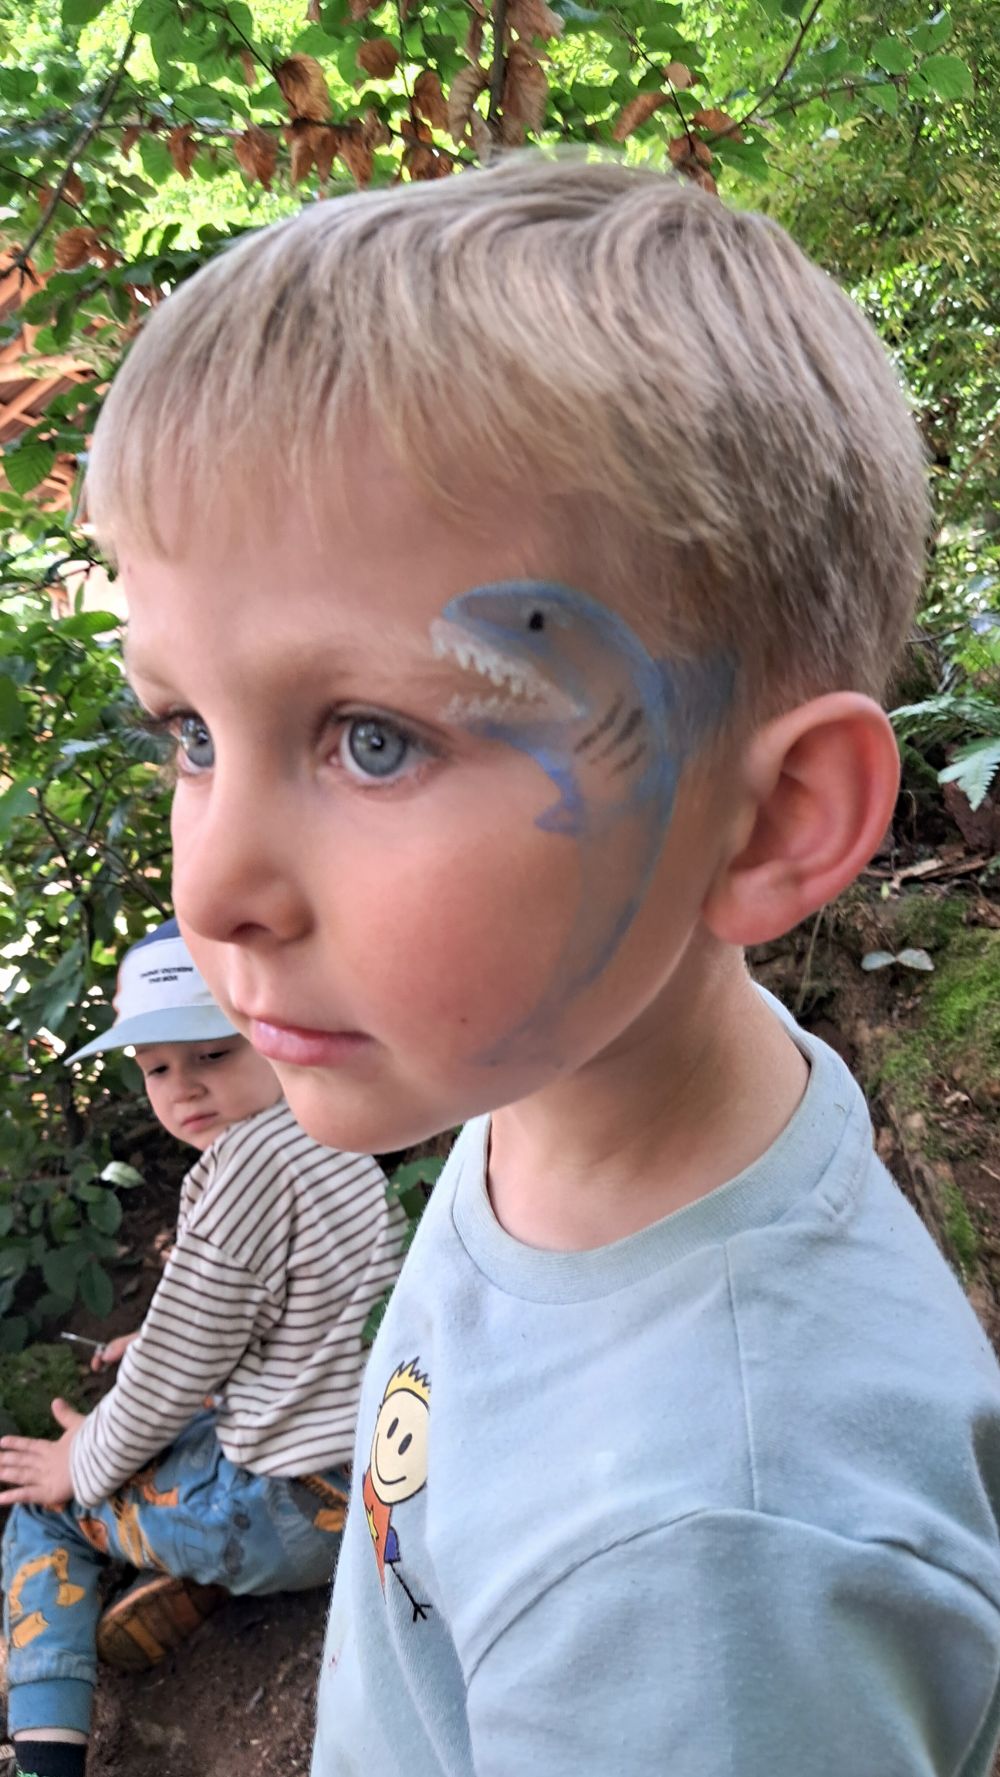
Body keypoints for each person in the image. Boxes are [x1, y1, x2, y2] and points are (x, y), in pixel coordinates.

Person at [74, 154, 1000, 1776]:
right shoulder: (579, 1085)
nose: (210, 884)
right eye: (189, 732)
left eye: (373, 738)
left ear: (771, 823)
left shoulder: (707, 1570)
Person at [0, 921, 405, 1777]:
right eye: (155, 1067)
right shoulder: (331, 1134)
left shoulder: (243, 1168)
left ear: (275, 1032)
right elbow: (294, 1311)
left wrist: (80, 1457)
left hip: (287, 1508)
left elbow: (169, 1379)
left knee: (44, 1511)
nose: (182, 1086)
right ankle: (190, 1576)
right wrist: (157, 1338)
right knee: (185, 1440)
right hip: (380, 1480)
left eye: (213, 1054)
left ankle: (43, 1759)